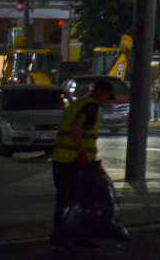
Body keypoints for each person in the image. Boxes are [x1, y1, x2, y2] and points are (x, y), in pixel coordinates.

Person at [51, 78, 126, 249]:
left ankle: (73, 237)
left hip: (62, 160)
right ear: (101, 92)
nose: (106, 100)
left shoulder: (80, 103)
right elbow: (76, 129)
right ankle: (62, 238)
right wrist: (84, 155)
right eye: (107, 96)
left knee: (71, 200)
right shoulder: (91, 106)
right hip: (73, 162)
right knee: (73, 201)